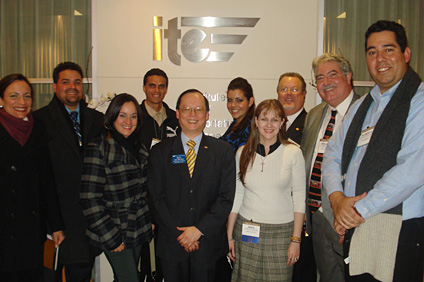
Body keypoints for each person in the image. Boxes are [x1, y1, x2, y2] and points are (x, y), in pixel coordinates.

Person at [323, 20, 424, 282]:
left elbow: (412, 170)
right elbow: (332, 154)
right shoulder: (362, 106)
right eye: (372, 52)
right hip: (358, 224)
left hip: (399, 227)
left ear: (406, 54)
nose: (380, 59)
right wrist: (336, 199)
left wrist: (354, 212)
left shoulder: (419, 100)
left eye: (388, 49)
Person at [148, 89, 236, 282]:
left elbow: (226, 197)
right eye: (187, 109)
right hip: (172, 244)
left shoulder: (222, 151)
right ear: (177, 113)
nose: (192, 115)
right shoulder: (160, 152)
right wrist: (181, 235)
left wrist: (198, 230)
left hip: (208, 245)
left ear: (207, 115)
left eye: (198, 109)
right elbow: (155, 198)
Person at [33, 62, 104, 282]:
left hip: (86, 221)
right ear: (55, 86)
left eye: (77, 82)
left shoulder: (97, 120)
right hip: (52, 220)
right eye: (66, 82)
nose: (72, 87)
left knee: (82, 275)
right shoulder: (39, 120)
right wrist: (52, 223)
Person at [228, 99, 306, 282]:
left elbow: (300, 198)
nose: (269, 125)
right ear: (256, 121)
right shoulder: (242, 153)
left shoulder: (293, 152)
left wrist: (296, 240)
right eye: (264, 119)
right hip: (247, 231)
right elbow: (238, 195)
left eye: (275, 120)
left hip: (281, 234)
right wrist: (230, 236)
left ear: (282, 123)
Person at [80, 93, 153, 282]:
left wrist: (150, 220)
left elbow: (145, 191)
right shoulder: (99, 146)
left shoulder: (140, 147)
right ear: (112, 116)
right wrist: (111, 237)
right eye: (122, 115)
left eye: (133, 116)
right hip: (113, 229)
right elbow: (90, 198)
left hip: (137, 229)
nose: (128, 121)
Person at [0, 74, 65, 282]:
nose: (22, 102)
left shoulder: (37, 129)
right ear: (1, 100)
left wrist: (56, 225)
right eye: (14, 96)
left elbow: (47, 181)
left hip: (31, 228)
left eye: (27, 96)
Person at [302, 53, 360, 282]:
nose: (326, 83)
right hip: (317, 215)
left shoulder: (367, 111)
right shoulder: (315, 115)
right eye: (320, 78)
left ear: (348, 76)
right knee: (328, 277)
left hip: (349, 218)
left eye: (332, 75)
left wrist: (350, 214)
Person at [139, 68, 179, 152]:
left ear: (166, 89)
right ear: (144, 88)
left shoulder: (176, 118)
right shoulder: (135, 117)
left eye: (161, 86)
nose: (157, 90)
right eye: (152, 86)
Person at [220, 77, 255, 153]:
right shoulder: (235, 124)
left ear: (250, 102)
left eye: (239, 100)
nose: (233, 105)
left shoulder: (252, 128)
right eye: (230, 100)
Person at [276, 72, 307, 145]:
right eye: (284, 89)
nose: (289, 93)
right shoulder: (268, 122)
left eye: (295, 90)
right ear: (278, 93)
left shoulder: (310, 124)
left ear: (303, 94)